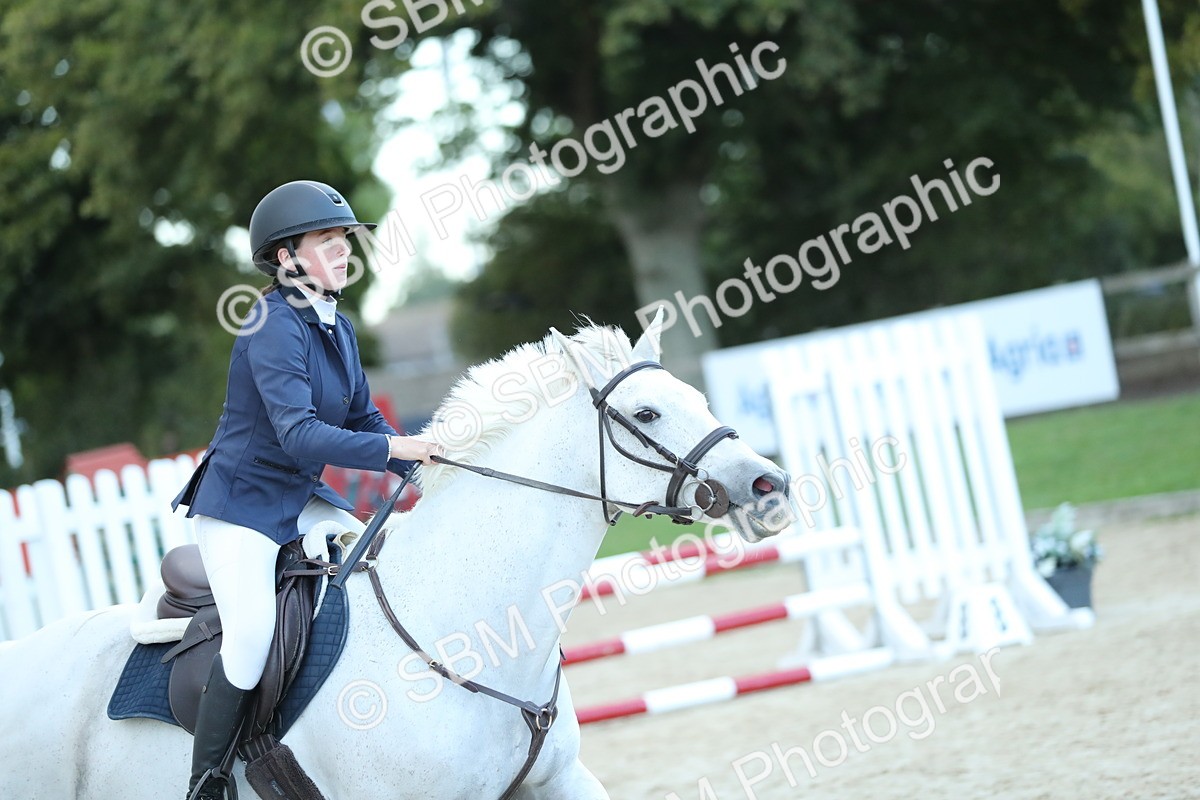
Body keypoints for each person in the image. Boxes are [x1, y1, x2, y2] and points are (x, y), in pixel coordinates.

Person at [171, 180, 442, 800]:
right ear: (287, 258)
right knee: (250, 633)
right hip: (240, 508)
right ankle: (206, 781)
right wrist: (393, 451)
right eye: (328, 241)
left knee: (376, 575)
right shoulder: (269, 322)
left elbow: (363, 419)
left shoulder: (335, 325)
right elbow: (299, 435)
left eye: (344, 239)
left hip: (298, 501)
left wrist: (424, 465)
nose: (345, 250)